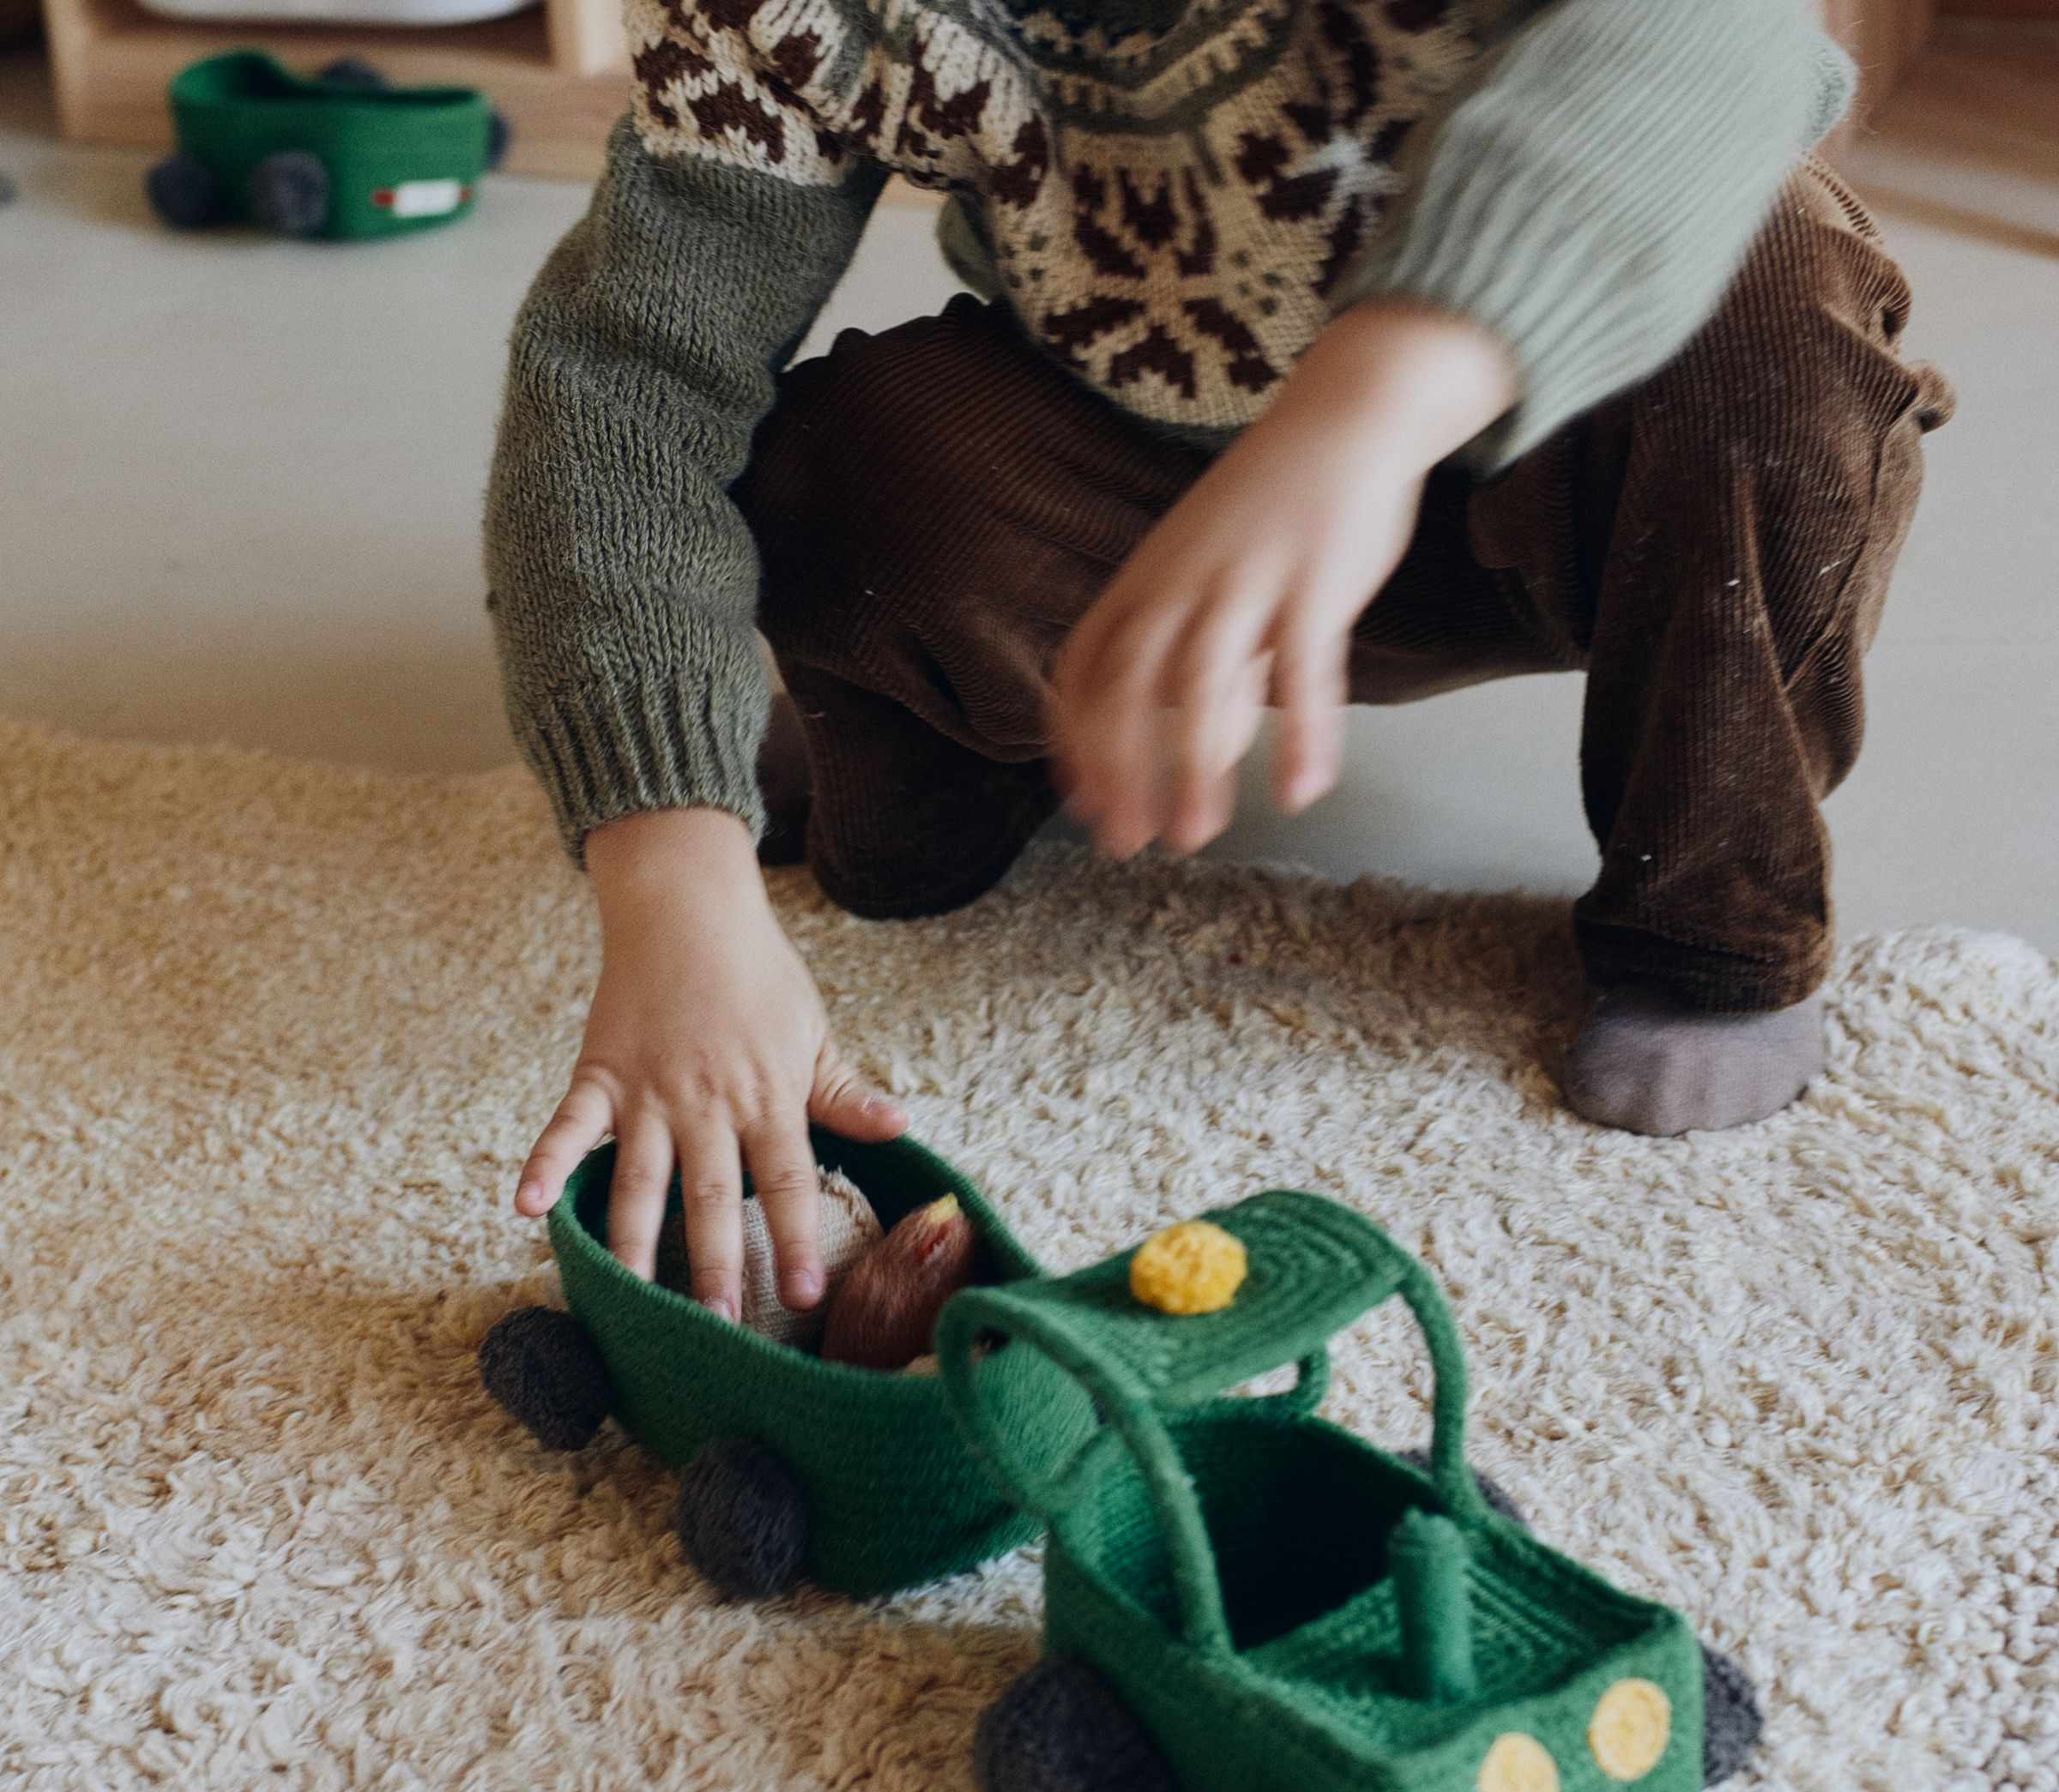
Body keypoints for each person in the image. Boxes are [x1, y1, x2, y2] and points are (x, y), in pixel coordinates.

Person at [484, 0, 1952, 1324]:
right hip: (1140, 467)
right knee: (841, 476)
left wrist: (1366, 413)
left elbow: (1710, 37)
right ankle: (982, 746)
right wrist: (668, 871)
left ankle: (1711, 924)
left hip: (1540, 444)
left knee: (1779, 297)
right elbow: (630, 384)